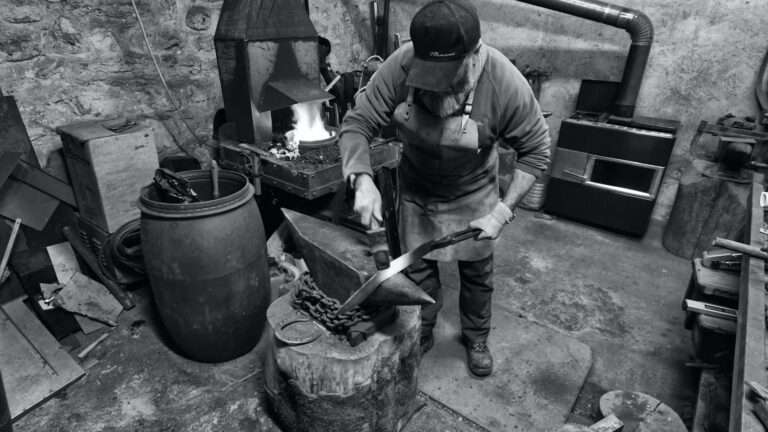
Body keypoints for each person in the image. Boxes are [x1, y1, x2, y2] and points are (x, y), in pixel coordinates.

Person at [338, 0, 551, 377]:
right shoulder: (400, 66)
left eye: (448, 76)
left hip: (474, 195)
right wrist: (362, 178)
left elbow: (536, 152)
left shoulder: (503, 82)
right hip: (418, 191)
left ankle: (476, 336)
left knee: (476, 274)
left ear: (474, 56)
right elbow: (357, 123)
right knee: (419, 271)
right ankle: (423, 329)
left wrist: (502, 211)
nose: (437, 88)